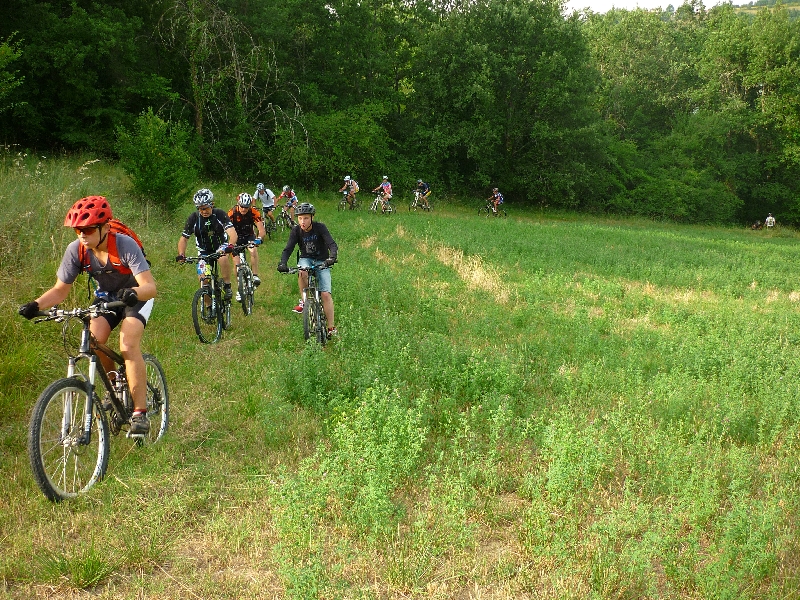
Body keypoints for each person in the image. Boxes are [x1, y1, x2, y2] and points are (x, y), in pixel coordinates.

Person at [18, 196, 157, 434]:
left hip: (136, 294)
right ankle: (114, 387)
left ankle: (139, 414)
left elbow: (150, 287)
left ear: (104, 228)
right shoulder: (77, 251)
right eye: (77, 230)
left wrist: (133, 293)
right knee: (93, 342)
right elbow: (60, 289)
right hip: (106, 297)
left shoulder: (124, 245)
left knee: (128, 344)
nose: (82, 234)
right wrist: (35, 304)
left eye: (88, 229)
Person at [277, 203, 338, 337]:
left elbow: (331, 244)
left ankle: (331, 328)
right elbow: (288, 249)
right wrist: (283, 263)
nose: (302, 222)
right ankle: (305, 301)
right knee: (302, 271)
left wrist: (332, 257)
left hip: (322, 260)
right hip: (306, 259)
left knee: (326, 294)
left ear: (312, 217)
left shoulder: (320, 228)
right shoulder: (296, 230)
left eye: (305, 218)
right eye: (300, 218)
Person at [176, 188, 238, 301]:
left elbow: (232, 233)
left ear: (212, 205)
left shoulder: (219, 214)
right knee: (204, 282)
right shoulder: (193, 218)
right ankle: (209, 309)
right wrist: (181, 254)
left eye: (205, 208)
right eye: (200, 209)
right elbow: (184, 239)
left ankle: (227, 285)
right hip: (203, 251)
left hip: (221, 246)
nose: (203, 211)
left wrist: (230, 245)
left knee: (223, 258)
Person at [227, 192, 266, 299]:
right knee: (237, 264)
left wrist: (259, 239)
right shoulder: (231, 213)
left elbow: (261, 230)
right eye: (242, 207)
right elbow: (224, 230)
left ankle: (255, 275)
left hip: (249, 236)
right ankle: (240, 289)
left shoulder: (254, 212)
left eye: (247, 207)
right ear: (238, 204)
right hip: (235, 238)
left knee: (253, 251)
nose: (244, 209)